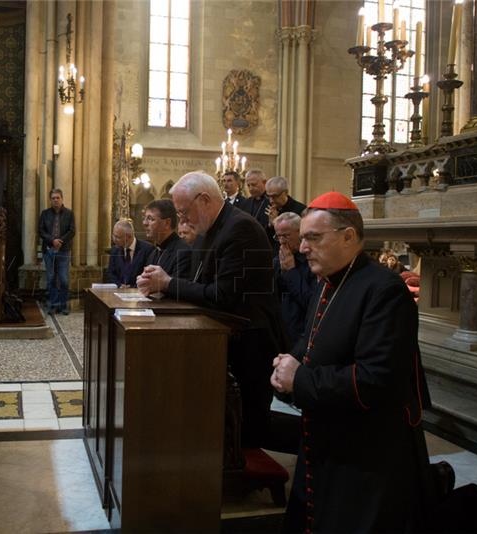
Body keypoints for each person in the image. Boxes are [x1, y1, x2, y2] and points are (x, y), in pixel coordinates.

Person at [271, 191, 429, 533]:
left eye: (313, 238)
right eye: (303, 238)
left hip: (367, 455)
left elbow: (375, 380)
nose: (302, 248)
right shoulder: (328, 281)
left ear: (348, 236)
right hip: (325, 439)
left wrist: (299, 380)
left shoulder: (384, 290)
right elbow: (311, 341)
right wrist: (287, 365)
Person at [137, 171, 284, 446]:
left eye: (184, 212)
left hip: (249, 342)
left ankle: (242, 476)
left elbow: (222, 295)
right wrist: (162, 280)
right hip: (224, 338)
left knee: (246, 427)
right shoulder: (210, 231)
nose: (182, 220)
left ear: (204, 200)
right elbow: (197, 284)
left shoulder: (240, 229)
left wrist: (168, 284)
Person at [272, 212, 315, 347]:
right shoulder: (277, 261)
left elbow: (311, 302)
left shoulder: (312, 260)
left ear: (300, 232)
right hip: (279, 333)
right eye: (278, 236)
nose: (281, 241)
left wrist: (291, 271)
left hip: (302, 334)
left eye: (286, 235)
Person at [38, 189, 75, 315]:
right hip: (49, 250)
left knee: (64, 279)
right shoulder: (45, 213)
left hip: (63, 250)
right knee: (51, 278)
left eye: (58, 197)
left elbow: (72, 231)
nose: (55, 200)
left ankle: (64, 305)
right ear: (50, 200)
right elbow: (41, 230)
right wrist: (52, 240)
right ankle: (53, 304)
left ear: (62, 198)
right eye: (53, 198)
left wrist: (60, 241)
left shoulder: (69, 213)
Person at [142, 199, 190, 280]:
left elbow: (179, 288)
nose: (145, 223)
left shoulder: (183, 251)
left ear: (167, 223)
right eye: (145, 218)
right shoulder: (154, 253)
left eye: (150, 219)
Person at [106, 218, 154, 288]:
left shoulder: (148, 249)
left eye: (117, 237)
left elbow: (148, 276)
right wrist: (119, 285)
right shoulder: (115, 250)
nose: (114, 240)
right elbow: (110, 274)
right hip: (118, 292)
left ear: (129, 236)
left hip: (139, 293)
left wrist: (132, 287)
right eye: (113, 235)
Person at [264, 176, 306, 251]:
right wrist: (270, 226)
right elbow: (266, 239)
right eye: (268, 196)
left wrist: (276, 224)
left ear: (285, 192)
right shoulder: (268, 207)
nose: (271, 201)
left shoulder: (301, 210)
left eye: (274, 196)